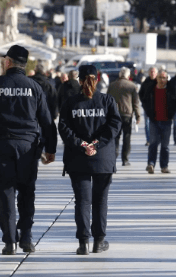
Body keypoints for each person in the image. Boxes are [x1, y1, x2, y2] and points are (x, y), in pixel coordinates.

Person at [0, 45, 58, 255]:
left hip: (2, 145)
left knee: (5, 194)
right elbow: (47, 122)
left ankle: (10, 240)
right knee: (27, 193)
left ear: (8, 62)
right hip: (28, 148)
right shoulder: (34, 87)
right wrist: (51, 149)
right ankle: (27, 239)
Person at [58, 65, 121, 255]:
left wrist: (82, 144)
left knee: (82, 202)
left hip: (78, 159)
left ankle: (83, 243)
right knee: (101, 201)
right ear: (98, 78)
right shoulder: (107, 100)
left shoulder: (71, 103)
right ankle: (99, 241)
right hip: (102, 159)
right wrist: (96, 144)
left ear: (79, 79)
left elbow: (63, 127)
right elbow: (115, 125)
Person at [142, 69, 176, 174]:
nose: (162, 80)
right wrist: (149, 112)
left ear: (167, 79)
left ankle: (164, 166)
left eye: (164, 78)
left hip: (167, 121)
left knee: (165, 146)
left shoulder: (171, 88)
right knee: (153, 144)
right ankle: (151, 164)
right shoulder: (151, 88)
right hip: (154, 121)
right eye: (160, 77)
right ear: (157, 78)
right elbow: (144, 100)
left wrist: (172, 113)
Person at [107, 67, 141, 166]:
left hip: (114, 115)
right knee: (127, 137)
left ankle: (114, 155)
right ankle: (125, 159)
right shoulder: (132, 86)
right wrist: (138, 115)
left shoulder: (112, 85)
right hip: (127, 115)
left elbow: (107, 100)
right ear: (128, 75)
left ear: (119, 75)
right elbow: (136, 103)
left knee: (115, 137)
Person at [138, 67, 158, 146]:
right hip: (147, 108)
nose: (152, 73)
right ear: (149, 73)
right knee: (147, 124)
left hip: (157, 108)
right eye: (151, 72)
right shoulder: (146, 82)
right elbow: (140, 93)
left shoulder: (159, 82)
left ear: (156, 73)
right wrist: (144, 102)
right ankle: (149, 140)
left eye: (154, 72)